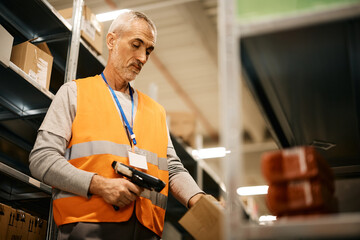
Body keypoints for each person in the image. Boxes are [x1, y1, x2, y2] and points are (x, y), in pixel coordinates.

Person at [29, 9, 204, 240]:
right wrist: (99, 185)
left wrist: (200, 200)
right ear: (111, 40)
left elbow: (172, 169)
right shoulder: (75, 93)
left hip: (147, 232)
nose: (143, 58)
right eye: (136, 45)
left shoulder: (156, 111)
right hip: (88, 229)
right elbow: (42, 159)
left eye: (148, 50)